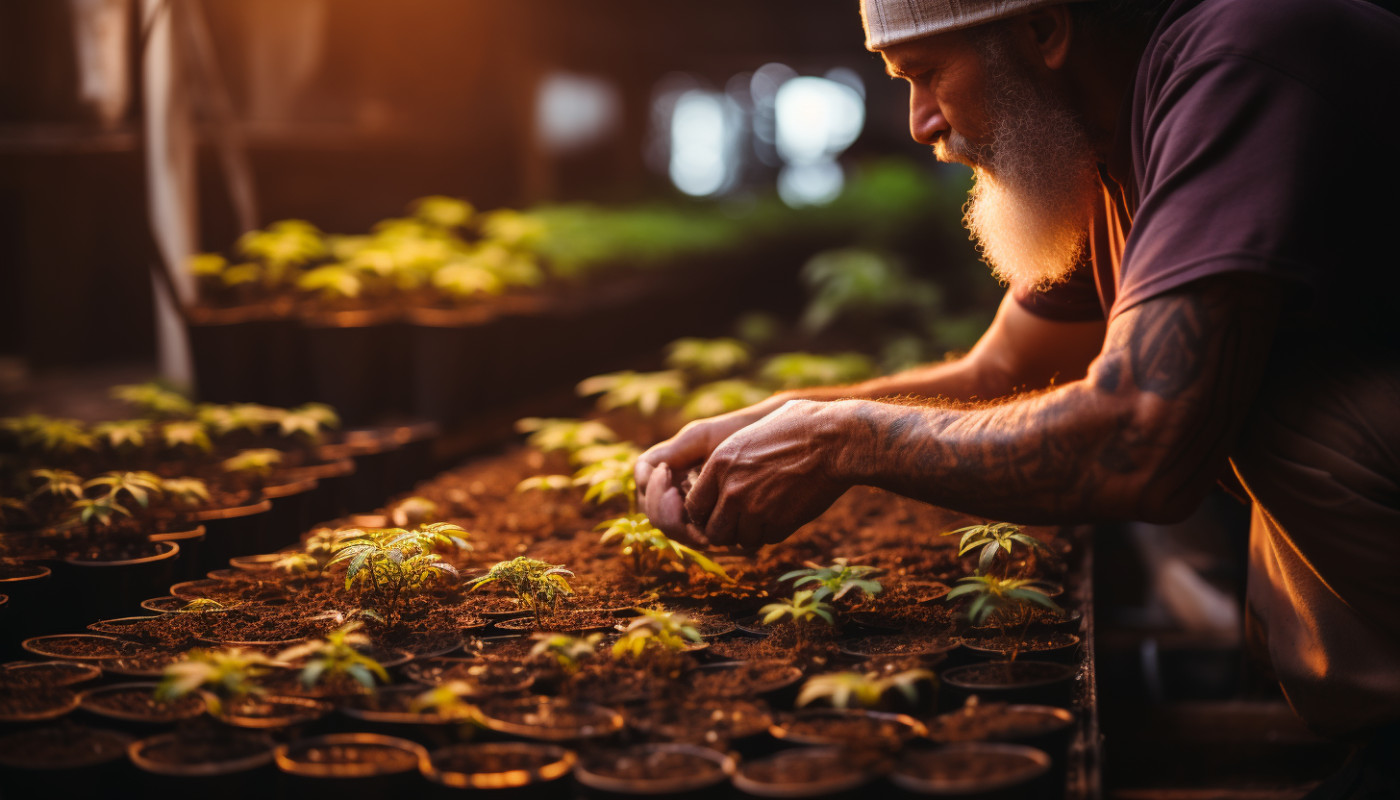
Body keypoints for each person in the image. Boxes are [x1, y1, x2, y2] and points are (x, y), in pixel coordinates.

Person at [637, 0, 1400, 791]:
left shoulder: (1242, 61)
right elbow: (999, 371)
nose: (920, 123)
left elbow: (1140, 436)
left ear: (1043, 31)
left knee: (1274, 408)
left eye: (928, 75)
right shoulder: (1103, 143)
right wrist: (766, 426)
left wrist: (845, 441)